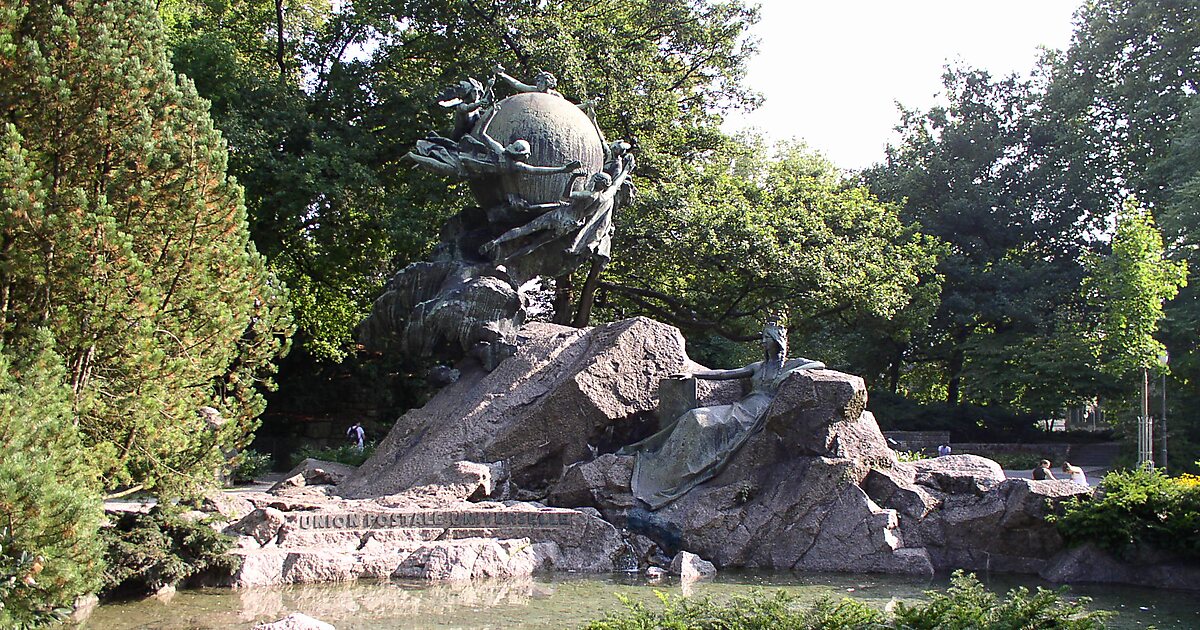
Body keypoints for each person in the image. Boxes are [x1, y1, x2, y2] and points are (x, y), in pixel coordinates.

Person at [617, 319, 825, 510]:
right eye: (762, 337)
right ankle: (662, 460)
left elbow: (819, 364)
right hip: (741, 407)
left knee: (709, 426)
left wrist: (790, 374)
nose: (762, 341)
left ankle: (683, 471)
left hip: (757, 414)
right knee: (696, 417)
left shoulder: (793, 364)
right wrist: (694, 374)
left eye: (766, 338)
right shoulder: (758, 367)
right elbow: (725, 374)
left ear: (777, 341)